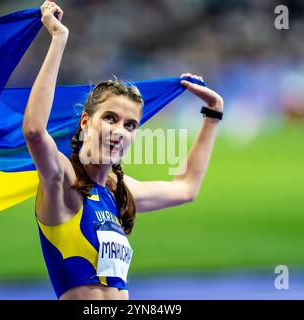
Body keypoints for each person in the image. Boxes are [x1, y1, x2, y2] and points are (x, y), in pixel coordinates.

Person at [23, 0, 224, 300]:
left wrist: (214, 112)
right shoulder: (63, 182)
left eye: (130, 125)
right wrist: (58, 39)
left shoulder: (118, 191)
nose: (119, 132)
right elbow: (35, 131)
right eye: (110, 119)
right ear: (86, 122)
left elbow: (186, 188)